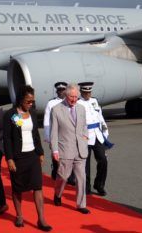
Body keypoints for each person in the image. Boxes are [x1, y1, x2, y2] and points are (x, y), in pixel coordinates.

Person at [3, 85, 52, 231]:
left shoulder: (32, 113)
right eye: (28, 101)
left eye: (32, 101)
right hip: (18, 157)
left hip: (32, 156)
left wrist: (40, 152)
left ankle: (41, 219)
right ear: (20, 100)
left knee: (37, 187)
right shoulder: (11, 115)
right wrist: (9, 158)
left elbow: (35, 134)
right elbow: (7, 138)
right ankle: (19, 216)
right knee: (18, 188)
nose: (30, 104)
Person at [50, 83, 90, 214]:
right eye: (71, 96)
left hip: (81, 149)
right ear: (66, 95)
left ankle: (81, 204)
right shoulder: (56, 109)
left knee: (81, 178)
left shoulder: (81, 108)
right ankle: (57, 194)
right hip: (65, 149)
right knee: (63, 177)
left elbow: (84, 125)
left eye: (76, 97)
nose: (74, 99)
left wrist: (85, 137)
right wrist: (55, 150)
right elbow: (54, 132)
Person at [78, 82, 111, 196]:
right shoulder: (77, 103)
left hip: (97, 135)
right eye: (85, 92)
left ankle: (99, 184)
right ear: (81, 92)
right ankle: (86, 187)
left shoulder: (94, 101)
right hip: (85, 136)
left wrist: (105, 130)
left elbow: (100, 116)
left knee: (103, 160)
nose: (87, 94)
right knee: (85, 164)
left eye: (89, 92)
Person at [43, 81, 75, 185]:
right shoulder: (51, 103)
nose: (61, 92)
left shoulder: (71, 101)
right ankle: (56, 170)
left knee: (71, 155)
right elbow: (47, 120)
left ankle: (70, 176)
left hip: (68, 134)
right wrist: (48, 135)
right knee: (57, 157)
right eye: (59, 90)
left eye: (63, 90)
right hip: (55, 133)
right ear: (56, 91)